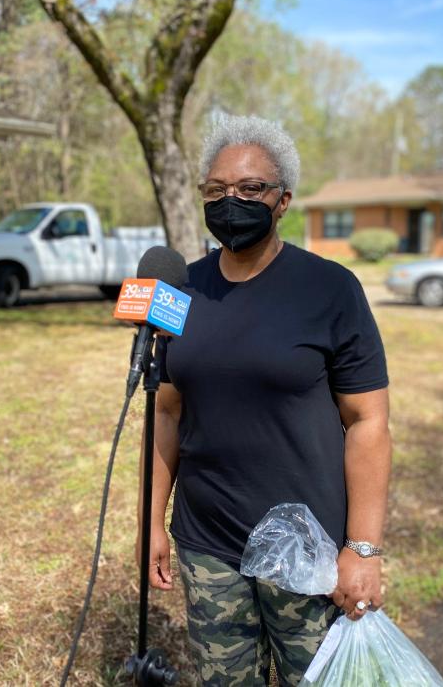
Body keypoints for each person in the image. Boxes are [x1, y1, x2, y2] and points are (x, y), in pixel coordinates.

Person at [137, 114, 391, 686]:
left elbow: (368, 421)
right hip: (209, 545)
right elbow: (167, 413)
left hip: (308, 551)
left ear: (283, 201)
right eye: (217, 190)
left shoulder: (330, 290)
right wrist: (151, 522)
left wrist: (364, 549)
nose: (233, 201)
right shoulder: (179, 291)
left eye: (251, 189)